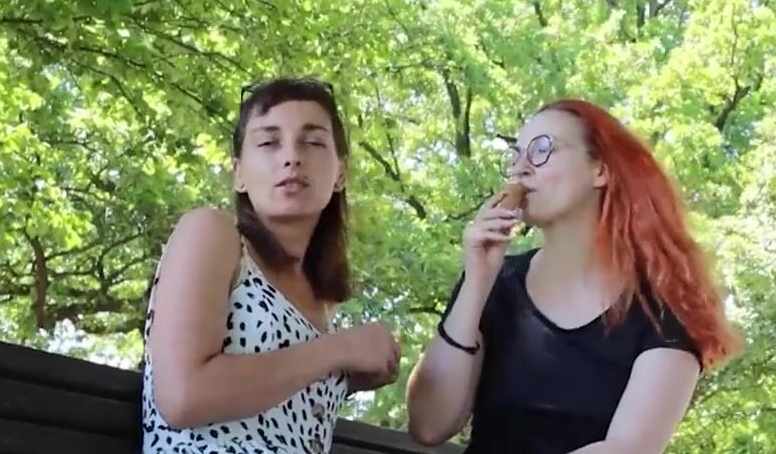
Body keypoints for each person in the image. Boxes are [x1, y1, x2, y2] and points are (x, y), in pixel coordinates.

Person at [405, 99, 741, 453]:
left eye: (542, 150)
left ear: (600, 170)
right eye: (516, 155)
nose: (520, 168)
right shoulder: (494, 284)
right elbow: (429, 426)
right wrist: (477, 282)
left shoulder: (663, 309)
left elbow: (627, 448)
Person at [141, 77, 401, 454]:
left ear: (341, 173)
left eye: (312, 142)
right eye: (268, 142)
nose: (291, 157)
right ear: (239, 173)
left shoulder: (320, 303)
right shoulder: (211, 232)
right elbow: (183, 396)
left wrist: (345, 377)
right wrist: (339, 350)